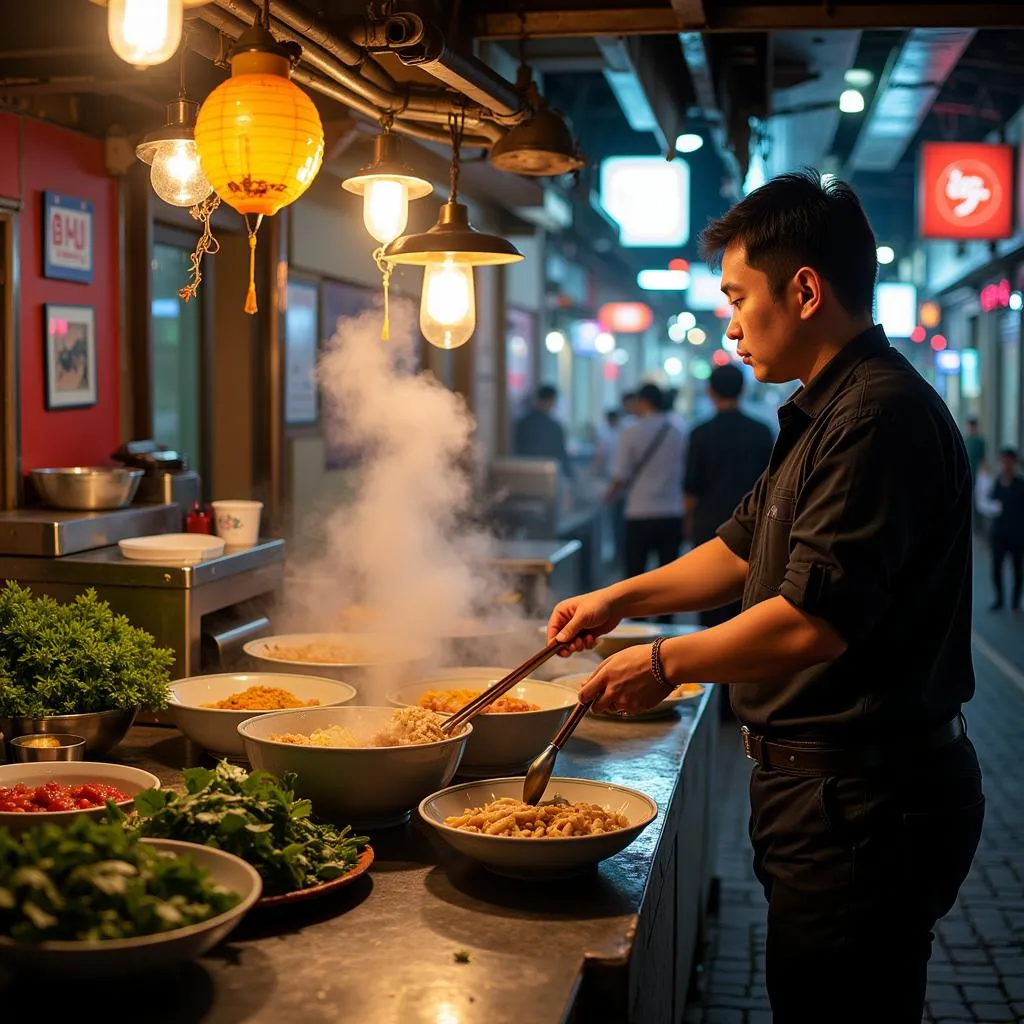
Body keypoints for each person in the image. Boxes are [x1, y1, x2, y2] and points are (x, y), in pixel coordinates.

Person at [547, 171, 984, 1023]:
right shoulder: (822, 413)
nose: (731, 323)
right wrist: (614, 601)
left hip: (864, 804)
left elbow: (811, 625)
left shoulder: (876, 418)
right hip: (827, 796)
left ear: (807, 290)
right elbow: (733, 550)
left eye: (739, 298)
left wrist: (663, 661)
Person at [684, 362, 774, 628]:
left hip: (709, 522)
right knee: (745, 599)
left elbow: (692, 486)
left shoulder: (700, 433)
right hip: (752, 524)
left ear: (710, 391)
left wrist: (687, 521)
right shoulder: (761, 431)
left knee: (707, 595)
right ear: (743, 389)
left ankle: (708, 661)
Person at [604, 383, 687, 616]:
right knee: (668, 576)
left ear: (643, 402)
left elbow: (621, 474)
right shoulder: (679, 431)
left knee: (635, 575)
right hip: (672, 511)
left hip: (639, 512)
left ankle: (634, 621)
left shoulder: (631, 431)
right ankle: (666, 626)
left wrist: (609, 496)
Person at [988, 446, 1024, 611]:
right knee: (996, 569)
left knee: (1017, 570)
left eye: (1009, 461)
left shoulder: (1020, 485)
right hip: (999, 534)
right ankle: (999, 600)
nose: (1006, 464)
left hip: (1017, 534)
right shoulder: (996, 483)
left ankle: (1015, 602)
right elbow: (988, 503)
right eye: (1004, 461)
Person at [514, 383, 573, 478]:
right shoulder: (554, 427)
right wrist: (571, 477)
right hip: (547, 475)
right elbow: (561, 455)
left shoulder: (523, 423)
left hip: (523, 473)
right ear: (551, 401)